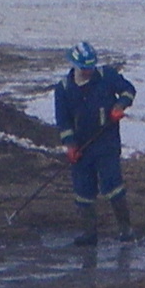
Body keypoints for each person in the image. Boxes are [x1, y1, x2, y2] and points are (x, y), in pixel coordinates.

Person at [52, 42, 136, 242]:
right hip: (82, 147)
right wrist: (70, 145)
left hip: (106, 143)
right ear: (74, 65)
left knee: (112, 185)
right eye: (84, 68)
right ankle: (90, 234)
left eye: (91, 67)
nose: (88, 71)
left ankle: (126, 230)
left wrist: (119, 106)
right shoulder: (63, 89)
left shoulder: (106, 76)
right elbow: (63, 121)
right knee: (83, 190)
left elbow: (128, 91)